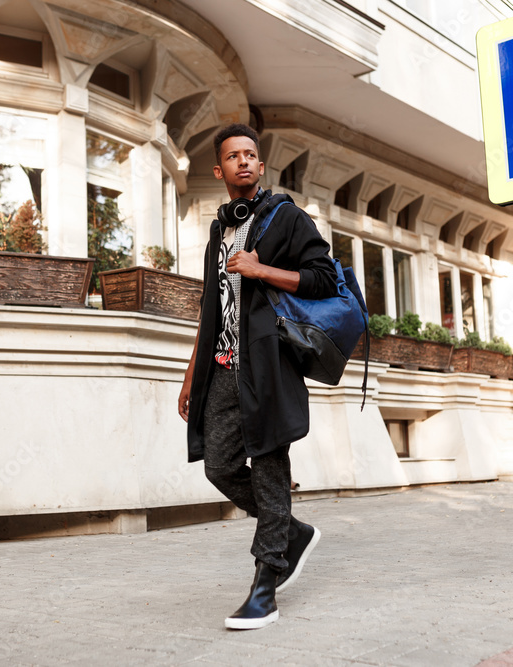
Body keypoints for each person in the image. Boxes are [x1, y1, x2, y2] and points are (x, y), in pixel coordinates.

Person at [178, 123, 338, 630]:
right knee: (219, 465)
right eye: (233, 156)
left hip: (268, 366)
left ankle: (265, 585)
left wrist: (261, 269)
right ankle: (290, 530)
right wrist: (189, 378)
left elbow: (324, 279)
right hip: (222, 370)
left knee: (269, 467)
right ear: (219, 169)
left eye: (251, 154)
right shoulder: (216, 232)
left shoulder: (286, 218)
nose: (243, 162)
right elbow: (211, 309)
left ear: (261, 166)